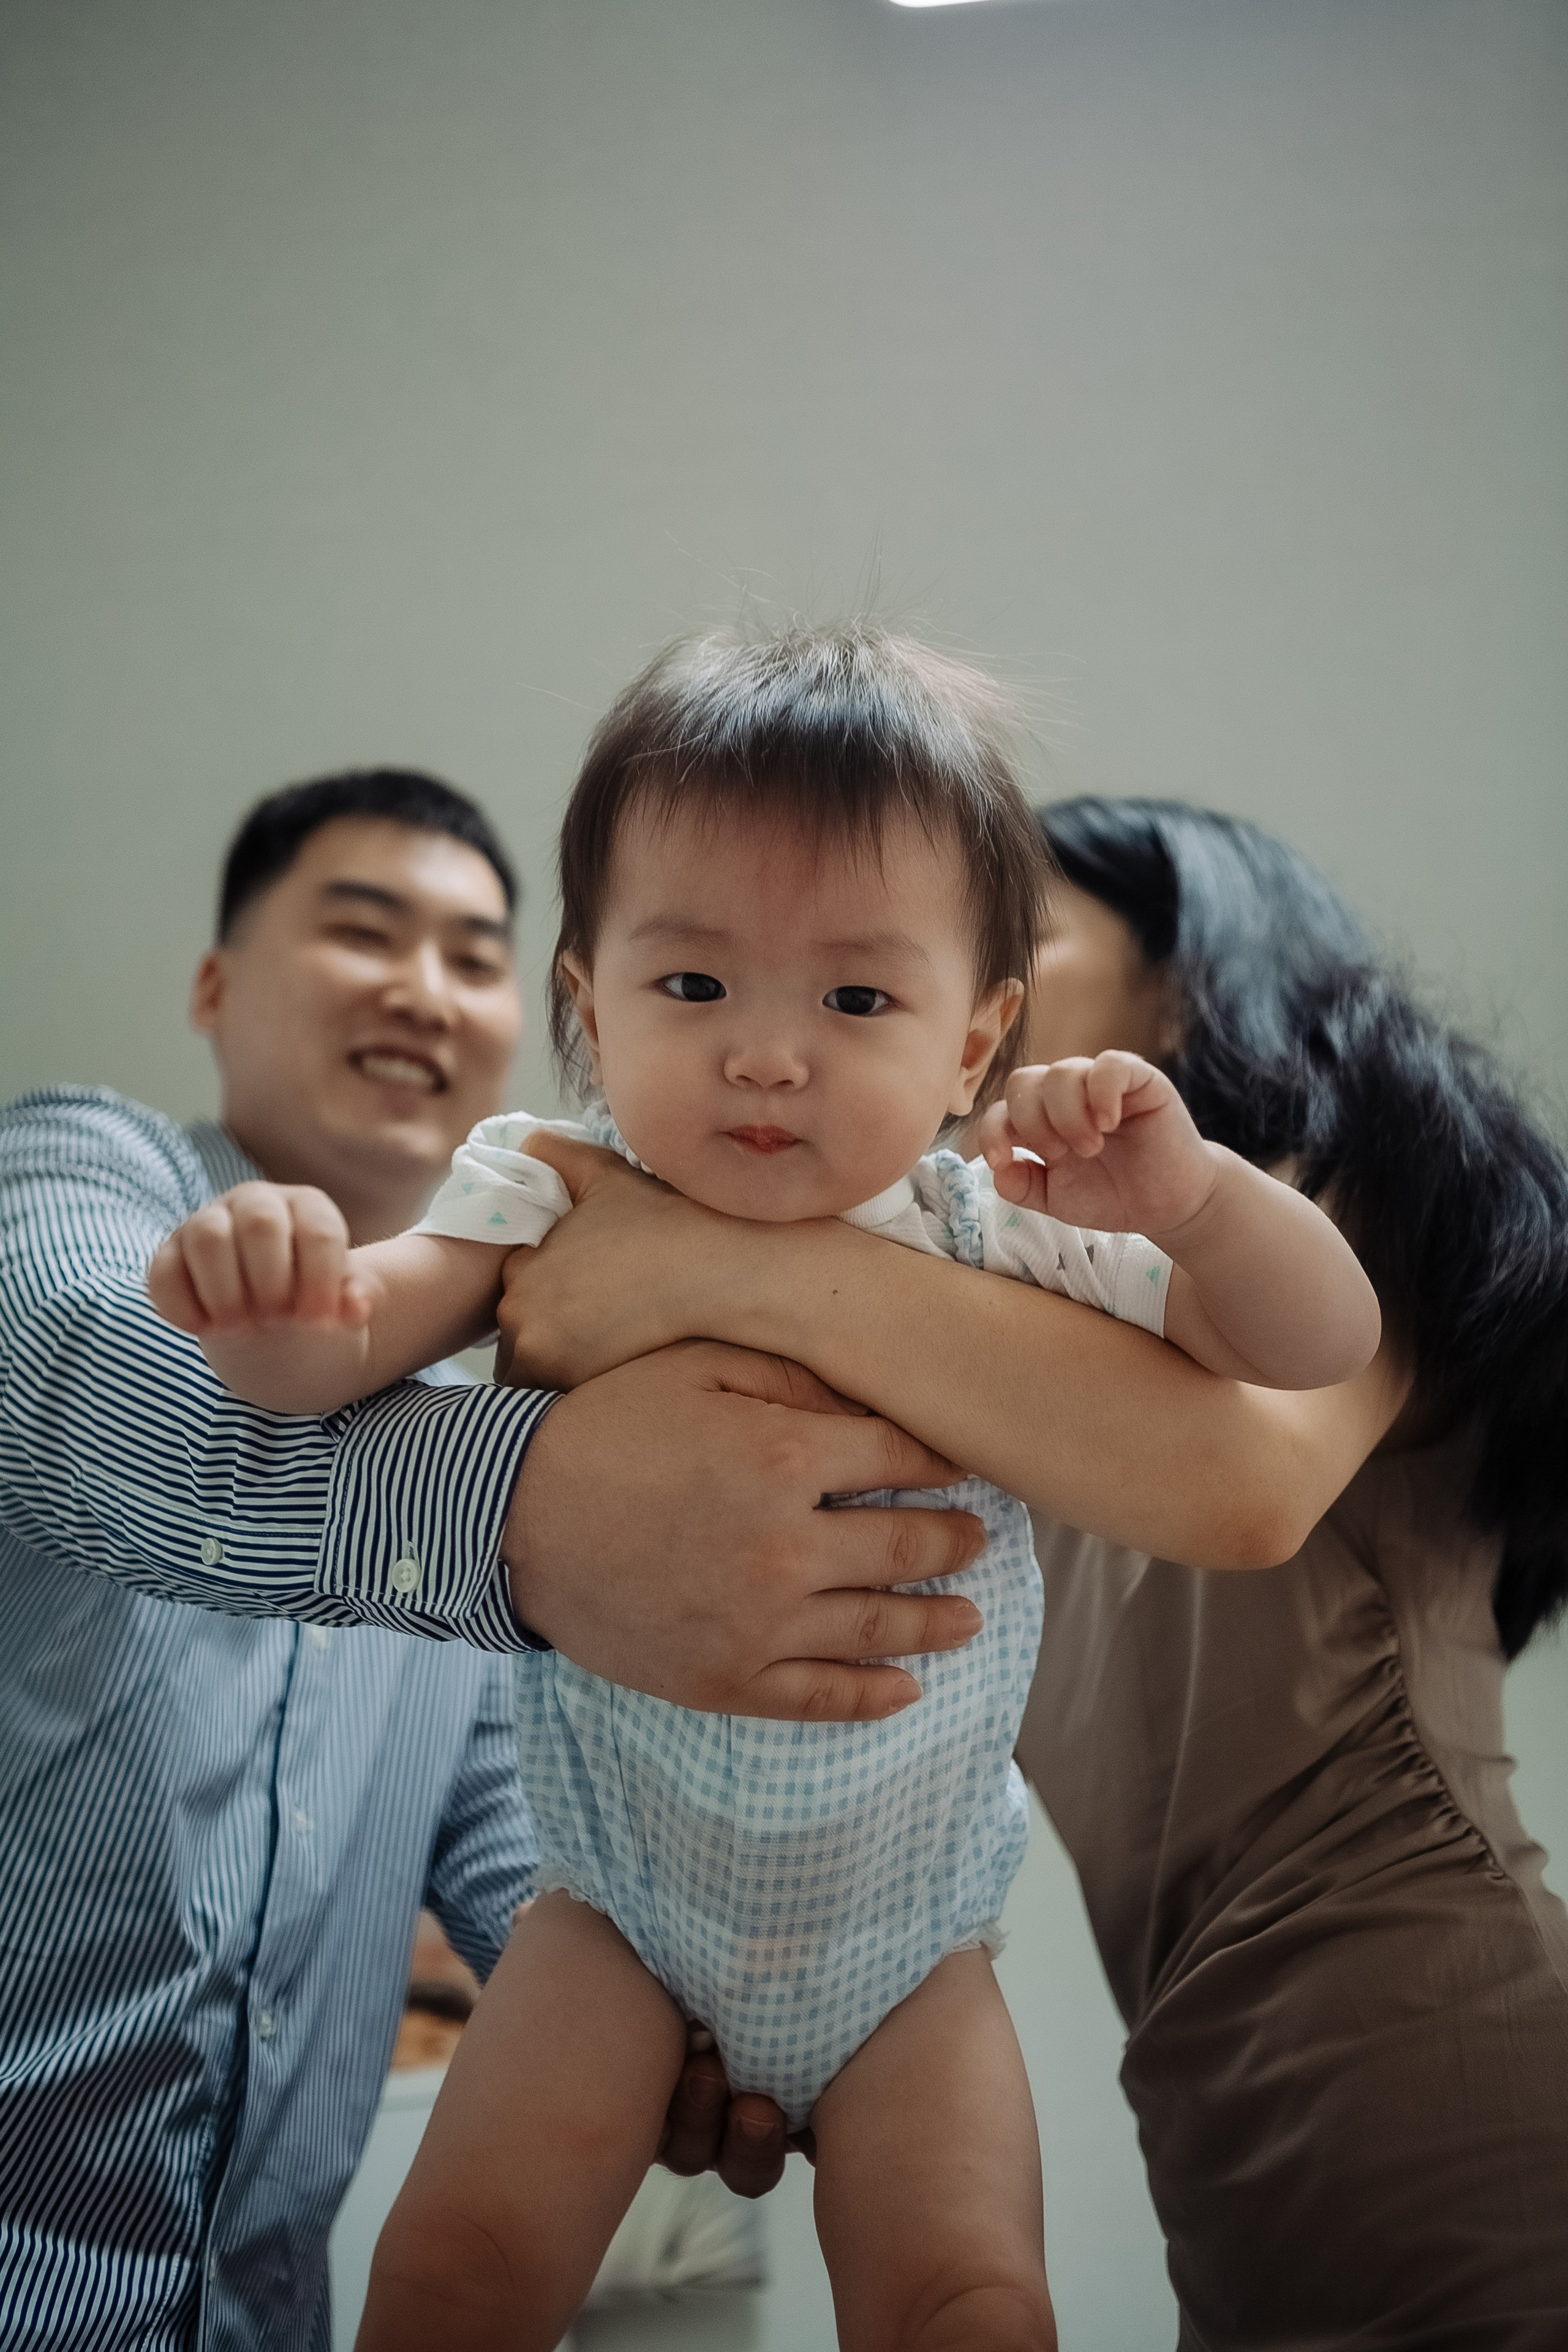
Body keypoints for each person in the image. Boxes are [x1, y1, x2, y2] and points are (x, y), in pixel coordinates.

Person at [156, 630, 1379, 2352]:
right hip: (610, 1925)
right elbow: (337, 1356)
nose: (767, 1056)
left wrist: (1193, 1204)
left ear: (976, 1037)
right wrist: (277, 1296)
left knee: (967, 2296)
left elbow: (1310, 1350)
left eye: (856, 1001)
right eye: (694, 985)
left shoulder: (997, 1229)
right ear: (589, 1005)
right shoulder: (547, 1186)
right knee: (457, 2274)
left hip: (911, 1952)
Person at [497, 793, 1568, 2346]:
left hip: (1430, 2039)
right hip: (1210, 2103)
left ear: (1193, 959)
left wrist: (720, 1258)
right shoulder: (998, 1285)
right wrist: (718, 1979)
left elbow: (1243, 1485)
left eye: (1015, 936)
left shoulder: (1327, 1178)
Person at [0, 766, 994, 2352]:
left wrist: (708, 2006)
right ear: (215, 985)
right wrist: (529, 1508)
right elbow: (88, 1397)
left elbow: (518, 1834)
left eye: (474, 957)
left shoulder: (526, 1377)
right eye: (363, 930)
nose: (423, 988)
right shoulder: (81, 1164)